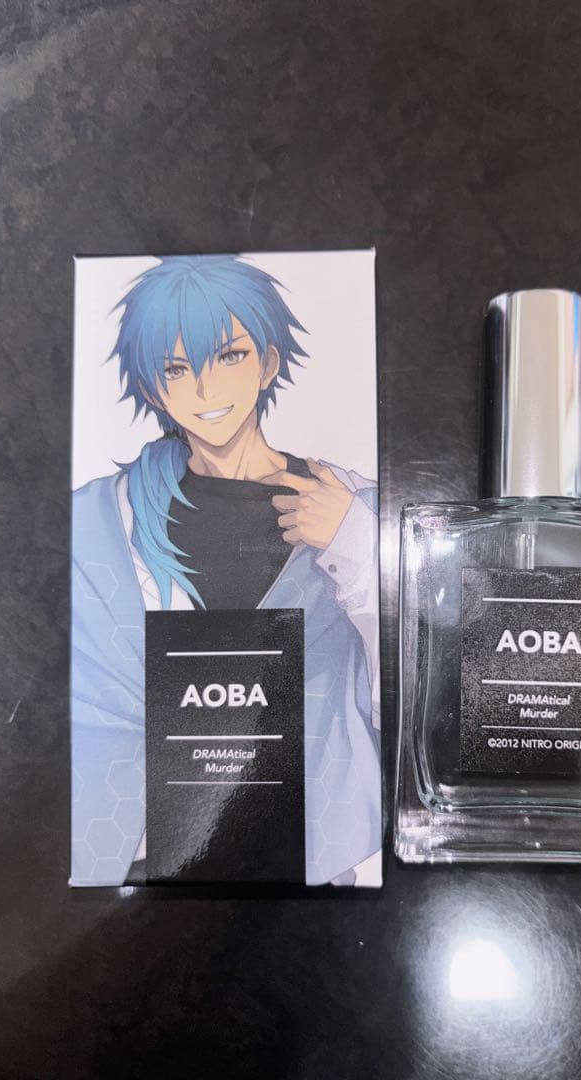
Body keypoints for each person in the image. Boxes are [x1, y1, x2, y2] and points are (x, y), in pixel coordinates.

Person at [71, 256, 380, 886]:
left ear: (268, 362)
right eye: (176, 368)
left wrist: (354, 541)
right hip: (144, 868)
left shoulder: (353, 506)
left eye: (229, 356)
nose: (205, 391)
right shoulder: (102, 517)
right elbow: (81, 702)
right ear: (152, 388)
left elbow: (413, 676)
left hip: (309, 863)